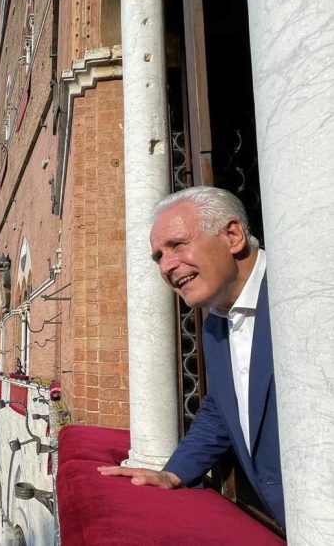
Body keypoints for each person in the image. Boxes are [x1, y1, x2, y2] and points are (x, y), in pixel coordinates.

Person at [98, 186, 284, 527]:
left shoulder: (301, 291)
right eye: (158, 257)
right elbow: (223, 409)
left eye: (178, 245)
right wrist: (174, 473)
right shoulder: (216, 324)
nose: (167, 266)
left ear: (232, 236)